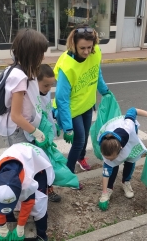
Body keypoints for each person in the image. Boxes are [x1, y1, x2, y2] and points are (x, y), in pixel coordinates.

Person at [0, 29, 61, 203]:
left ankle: (27, 200)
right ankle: (22, 202)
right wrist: (37, 133)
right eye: (41, 53)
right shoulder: (20, 77)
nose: (43, 58)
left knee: (27, 166)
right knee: (22, 167)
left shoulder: (16, 70)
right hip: (17, 131)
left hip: (20, 130)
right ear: (32, 53)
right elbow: (16, 115)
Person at [53, 25, 110, 180]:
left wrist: (105, 90)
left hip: (87, 103)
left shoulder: (95, 52)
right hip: (71, 109)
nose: (86, 52)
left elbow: (96, 73)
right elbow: (61, 99)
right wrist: (68, 127)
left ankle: (81, 157)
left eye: (89, 47)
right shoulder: (67, 65)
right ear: (74, 45)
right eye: (82, 48)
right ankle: (69, 173)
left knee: (85, 137)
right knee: (79, 140)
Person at [0, 142, 54, 241]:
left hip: (37, 162)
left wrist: (20, 227)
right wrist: (2, 227)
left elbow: (28, 203)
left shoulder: (28, 183)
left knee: (39, 205)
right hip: (16, 153)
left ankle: (41, 235)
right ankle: (10, 222)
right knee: (6, 201)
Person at [97, 107, 147, 211]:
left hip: (129, 137)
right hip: (112, 131)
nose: (110, 160)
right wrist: (103, 194)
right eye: (107, 158)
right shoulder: (105, 145)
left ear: (120, 149)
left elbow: (133, 110)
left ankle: (125, 181)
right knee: (112, 166)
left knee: (130, 160)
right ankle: (109, 188)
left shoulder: (128, 126)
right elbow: (105, 173)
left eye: (112, 158)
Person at [37, 64, 62, 202]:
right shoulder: (33, 96)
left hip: (48, 135)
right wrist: (39, 136)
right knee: (40, 165)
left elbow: (48, 110)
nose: (48, 89)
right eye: (46, 85)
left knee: (48, 163)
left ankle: (50, 189)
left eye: (51, 85)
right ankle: (41, 191)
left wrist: (55, 123)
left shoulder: (45, 93)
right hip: (39, 137)